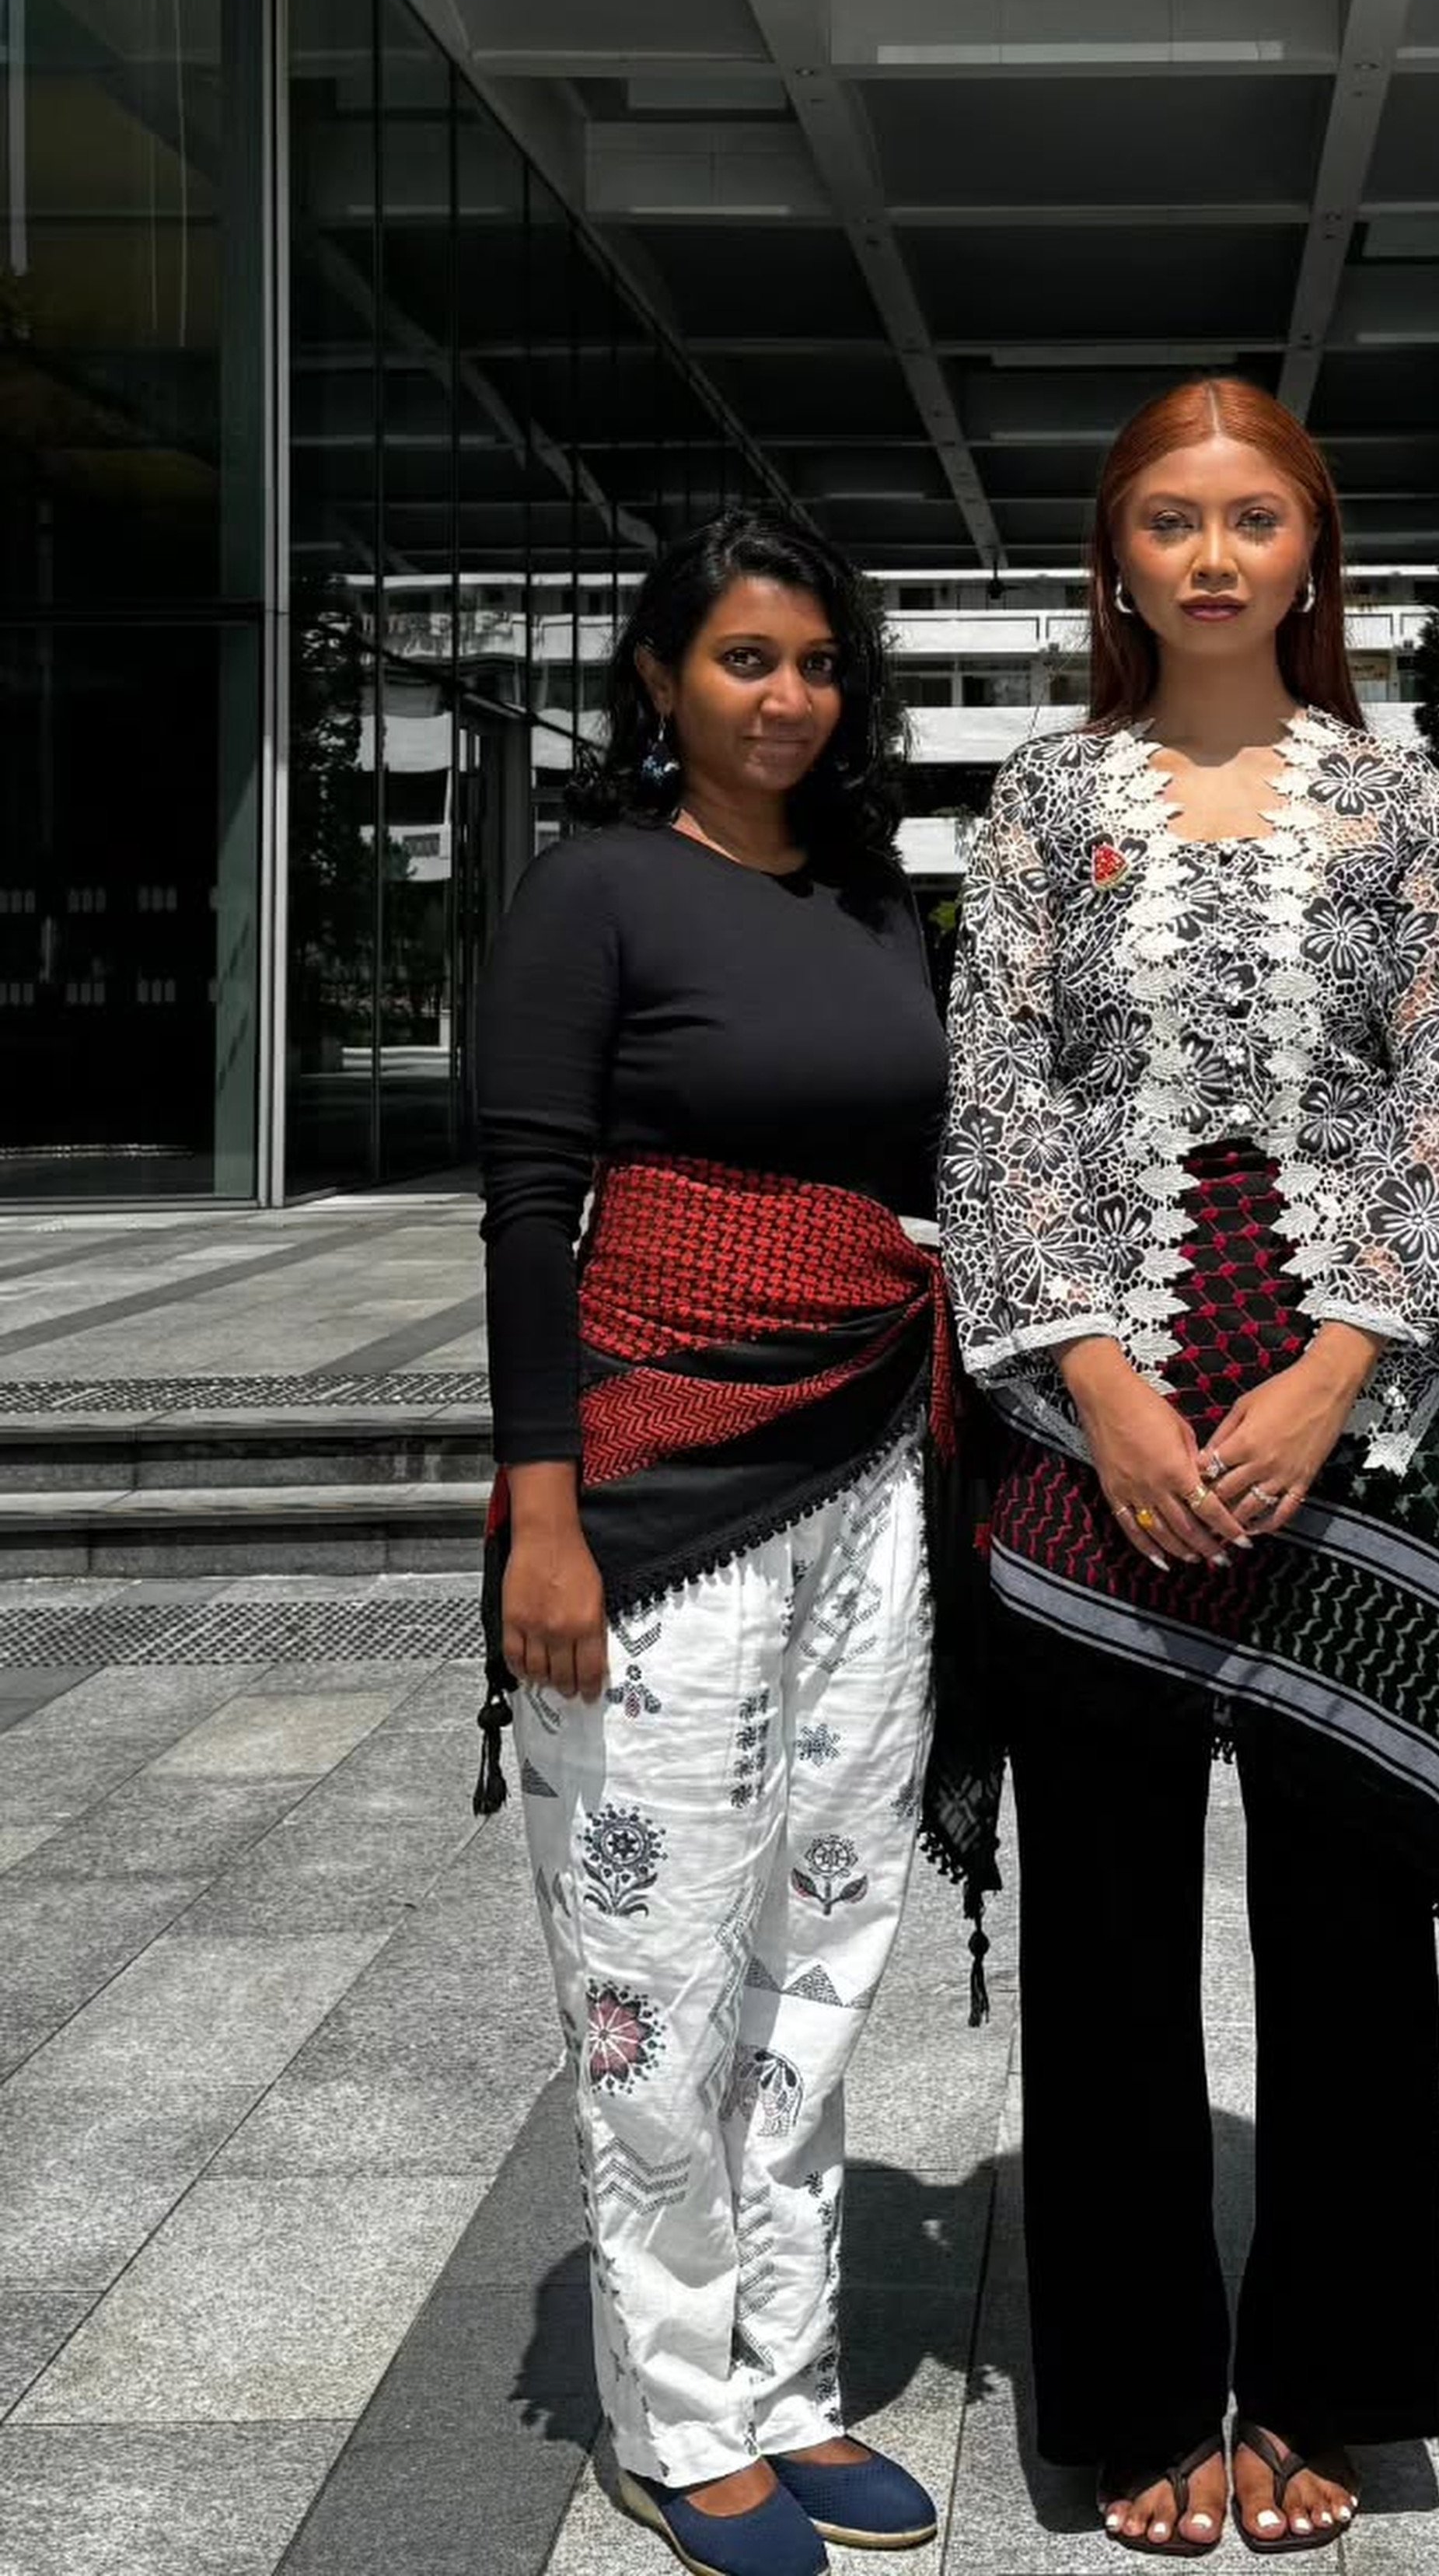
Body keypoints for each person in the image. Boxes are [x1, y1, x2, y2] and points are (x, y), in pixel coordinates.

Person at [938, 378, 1439, 2559]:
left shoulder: (1402, 806)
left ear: (1309, 553)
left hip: (1343, 1425)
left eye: (1249, 517)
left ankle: (1335, 2384)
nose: (1207, 553)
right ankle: (1134, 2394)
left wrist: (1331, 1375)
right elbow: (994, 1103)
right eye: (1168, 518)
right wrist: (1098, 1385)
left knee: (1350, 1923)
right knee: (1101, 1937)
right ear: (1115, 555)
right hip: (1101, 1419)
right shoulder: (1039, 803)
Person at [473, 506, 962, 2576]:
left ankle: (787, 2379)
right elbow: (525, 1222)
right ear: (659, 677)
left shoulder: (868, 898)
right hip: (658, 1505)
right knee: (661, 1977)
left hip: (870, 1478)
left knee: (827, 1948)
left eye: (818, 662)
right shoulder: (595, 892)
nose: (787, 696)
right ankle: (676, 2419)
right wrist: (542, 1524)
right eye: (746, 658)